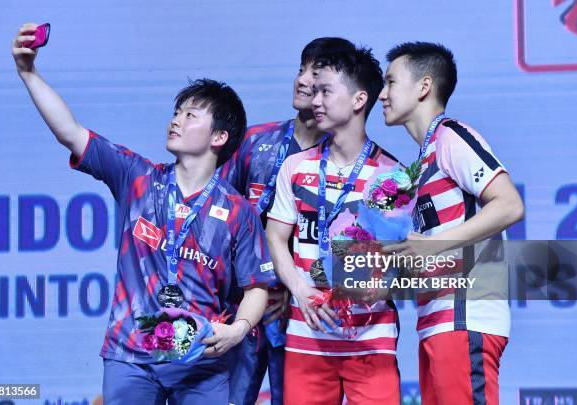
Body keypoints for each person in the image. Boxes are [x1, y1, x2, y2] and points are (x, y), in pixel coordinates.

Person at [12, 23, 276, 405]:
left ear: (219, 137)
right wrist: (28, 72)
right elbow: (69, 132)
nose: (176, 120)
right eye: (176, 112)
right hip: (131, 355)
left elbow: (256, 287)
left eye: (191, 116)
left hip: (202, 359)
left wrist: (239, 330)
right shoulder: (138, 178)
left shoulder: (238, 211)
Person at [379, 42, 525, 405]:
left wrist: (432, 245)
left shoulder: (451, 136)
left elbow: (509, 204)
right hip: (437, 319)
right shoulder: (424, 159)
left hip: (465, 315)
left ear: (424, 87)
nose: (382, 94)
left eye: (391, 82)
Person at [265, 44, 402, 405]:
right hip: (306, 338)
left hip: (371, 341)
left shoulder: (394, 176)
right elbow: (276, 237)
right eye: (315, 92)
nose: (316, 100)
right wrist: (299, 288)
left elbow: (399, 256)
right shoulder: (295, 167)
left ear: (359, 99)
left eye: (326, 91)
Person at [222, 37, 355, 405]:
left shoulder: (347, 162)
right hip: (242, 311)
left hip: (301, 318)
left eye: (316, 74)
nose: (302, 80)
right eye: (301, 69)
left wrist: (297, 291)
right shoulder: (253, 142)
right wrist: (253, 292)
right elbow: (217, 225)